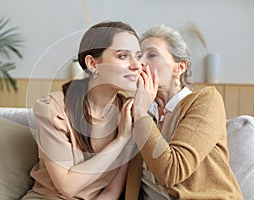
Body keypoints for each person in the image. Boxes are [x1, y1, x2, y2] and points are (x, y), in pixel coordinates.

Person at [21, 21, 143, 200]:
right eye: (123, 56)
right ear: (93, 64)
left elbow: (112, 192)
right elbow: (67, 186)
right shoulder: (53, 108)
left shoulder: (128, 112)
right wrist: (121, 139)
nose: (136, 65)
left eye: (138, 56)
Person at [125, 24, 243, 199]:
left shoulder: (205, 101)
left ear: (179, 67)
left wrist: (141, 113)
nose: (140, 63)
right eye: (138, 57)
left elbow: (171, 172)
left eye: (152, 55)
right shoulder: (135, 110)